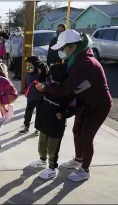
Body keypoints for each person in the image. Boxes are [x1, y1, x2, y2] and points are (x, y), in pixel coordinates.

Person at [35, 30, 112, 182]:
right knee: (77, 131)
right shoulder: (75, 59)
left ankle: (84, 170)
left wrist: (45, 88)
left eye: (64, 48)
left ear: (72, 46)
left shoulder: (85, 62)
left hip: (98, 106)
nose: (62, 52)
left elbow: (65, 89)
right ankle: (78, 159)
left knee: (86, 137)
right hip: (83, 103)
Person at [30, 63, 76, 180]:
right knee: (42, 143)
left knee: (53, 147)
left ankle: (52, 168)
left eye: (52, 74)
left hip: (56, 124)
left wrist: (64, 113)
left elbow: (74, 106)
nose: (50, 77)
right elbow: (37, 88)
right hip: (44, 120)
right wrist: (41, 80)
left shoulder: (68, 91)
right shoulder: (49, 85)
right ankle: (42, 160)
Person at [19, 56, 48, 135]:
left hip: (40, 97)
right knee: (28, 112)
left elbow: (45, 83)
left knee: (39, 113)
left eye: (30, 64)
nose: (28, 66)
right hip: (30, 97)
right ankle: (26, 127)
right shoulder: (27, 72)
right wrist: (26, 90)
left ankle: (38, 128)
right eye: (27, 64)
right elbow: (26, 82)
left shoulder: (41, 73)